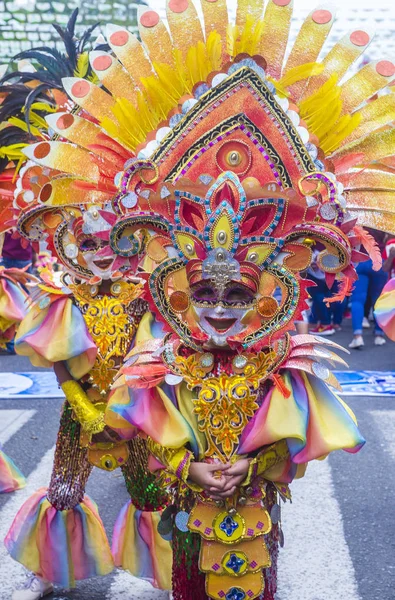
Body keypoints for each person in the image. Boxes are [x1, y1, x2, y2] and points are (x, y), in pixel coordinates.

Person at [1, 11, 171, 600]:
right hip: (83, 411)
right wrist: (88, 408)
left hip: (138, 409)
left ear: (131, 241)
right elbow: (58, 365)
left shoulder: (145, 292)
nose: (102, 253)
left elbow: (157, 350)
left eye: (114, 243)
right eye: (90, 243)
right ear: (73, 242)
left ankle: (167, 576)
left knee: (153, 492)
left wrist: (130, 403)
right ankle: (48, 572)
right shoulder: (63, 296)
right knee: (65, 492)